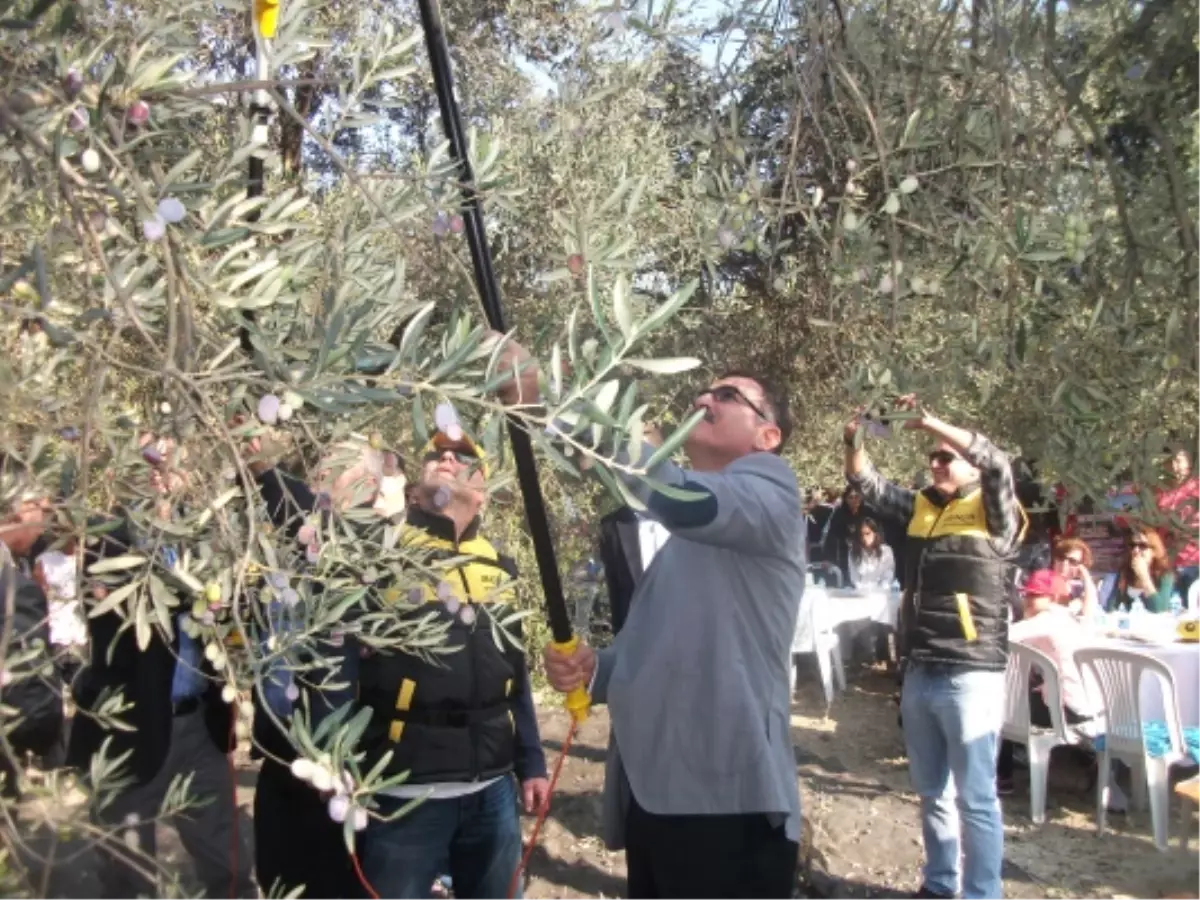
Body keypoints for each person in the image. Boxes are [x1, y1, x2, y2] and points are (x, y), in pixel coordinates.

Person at [500, 344, 805, 900]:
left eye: (727, 395)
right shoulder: (681, 544)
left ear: (769, 437)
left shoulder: (773, 491)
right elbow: (651, 655)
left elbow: (679, 496)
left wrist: (549, 404)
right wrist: (595, 670)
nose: (704, 397)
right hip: (657, 800)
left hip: (725, 802)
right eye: (704, 390)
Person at [344, 425, 550, 900]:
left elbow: (513, 674)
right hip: (403, 790)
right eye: (437, 454)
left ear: (482, 491)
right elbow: (338, 665)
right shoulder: (381, 555)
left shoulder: (500, 565)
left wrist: (532, 760)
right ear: (415, 488)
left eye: (462, 456)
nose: (447, 458)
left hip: (493, 791)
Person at [844, 396, 1024, 900]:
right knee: (932, 794)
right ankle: (940, 886)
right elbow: (866, 483)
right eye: (933, 457)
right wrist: (852, 437)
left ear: (969, 464)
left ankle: (983, 893)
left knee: (977, 800)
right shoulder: (921, 506)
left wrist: (927, 422)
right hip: (920, 669)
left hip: (970, 672)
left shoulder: (995, 513)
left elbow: (998, 460)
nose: (938, 463)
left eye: (948, 456)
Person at [65, 434, 255, 900]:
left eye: (168, 463)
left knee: (228, 864)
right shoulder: (109, 546)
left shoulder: (208, 541)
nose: (159, 473)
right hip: (129, 732)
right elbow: (109, 624)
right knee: (128, 875)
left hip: (198, 729)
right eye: (147, 462)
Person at [996, 570, 1100, 794]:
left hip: (1065, 710)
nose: (1027, 600)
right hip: (1081, 705)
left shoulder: (1046, 620)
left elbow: (1002, 638)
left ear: (1053, 598)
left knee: (1001, 702)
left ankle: (1001, 774)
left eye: (1035, 596)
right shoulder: (1070, 618)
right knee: (1011, 695)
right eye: (1027, 595)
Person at [0, 454, 64, 796]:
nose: (44, 521)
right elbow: (31, 700)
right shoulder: (13, 590)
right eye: (42, 508)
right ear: (18, 509)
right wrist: (48, 736)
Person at [1157, 448, 1199, 604]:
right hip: (1173, 564)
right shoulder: (1162, 493)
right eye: (1171, 461)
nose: (1175, 466)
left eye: (1179, 460)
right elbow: (1159, 530)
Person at [1107, 526, 1176, 613]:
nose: (1136, 550)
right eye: (1133, 545)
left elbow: (1160, 610)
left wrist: (1144, 576)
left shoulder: (1164, 575)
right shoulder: (1125, 572)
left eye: (1142, 546)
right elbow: (1111, 608)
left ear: (1154, 551)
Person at [1049, 537, 1101, 618]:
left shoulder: (1078, 588)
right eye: (1061, 557)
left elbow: (1089, 612)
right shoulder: (1043, 583)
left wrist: (1086, 576)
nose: (1064, 563)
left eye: (1072, 561)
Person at [848, 517, 895, 589]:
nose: (864, 537)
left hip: (881, 593)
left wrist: (880, 591)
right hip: (860, 592)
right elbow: (854, 578)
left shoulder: (886, 551)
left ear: (875, 534)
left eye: (867, 533)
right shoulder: (853, 552)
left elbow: (888, 575)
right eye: (861, 534)